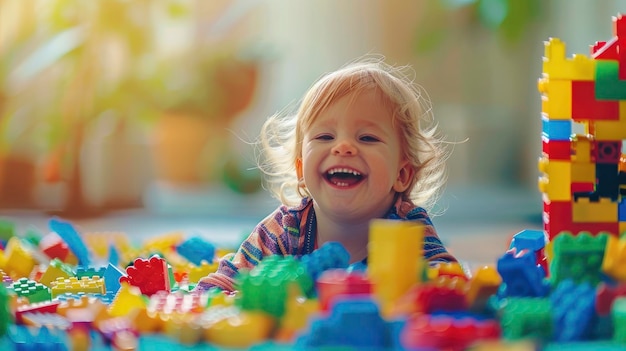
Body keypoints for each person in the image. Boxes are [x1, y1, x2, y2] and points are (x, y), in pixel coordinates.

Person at [196, 56, 457, 292]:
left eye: (367, 138)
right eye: (324, 136)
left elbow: (448, 284)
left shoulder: (407, 228)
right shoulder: (285, 229)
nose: (342, 147)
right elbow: (227, 280)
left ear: (402, 174)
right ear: (301, 169)